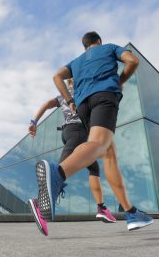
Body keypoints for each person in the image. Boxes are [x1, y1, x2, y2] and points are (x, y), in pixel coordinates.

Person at [29, 31, 153, 235]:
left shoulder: (76, 61)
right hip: (104, 96)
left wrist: (69, 100)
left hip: (83, 105)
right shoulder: (110, 47)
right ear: (99, 41)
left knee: (109, 153)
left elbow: (56, 76)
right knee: (99, 144)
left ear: (84, 46)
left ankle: (130, 212)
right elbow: (133, 61)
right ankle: (57, 175)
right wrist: (121, 81)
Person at [27, 79, 116, 236]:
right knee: (59, 172)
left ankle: (101, 207)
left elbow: (47, 104)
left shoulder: (63, 95)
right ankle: (39, 204)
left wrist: (34, 121)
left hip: (69, 131)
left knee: (93, 167)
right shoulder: (83, 91)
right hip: (78, 131)